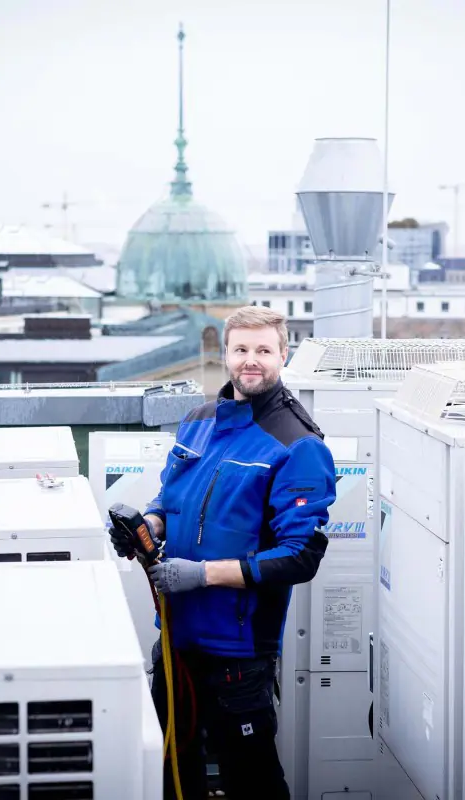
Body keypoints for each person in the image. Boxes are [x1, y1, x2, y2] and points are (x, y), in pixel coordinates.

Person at [110, 305, 336, 800]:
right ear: (225, 354)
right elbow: (170, 499)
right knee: (172, 772)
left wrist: (203, 574)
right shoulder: (197, 422)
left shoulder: (298, 444)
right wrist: (148, 526)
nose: (250, 360)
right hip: (176, 639)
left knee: (252, 783)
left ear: (283, 354)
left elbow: (301, 557)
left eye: (263, 350)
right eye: (241, 349)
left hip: (238, 654)